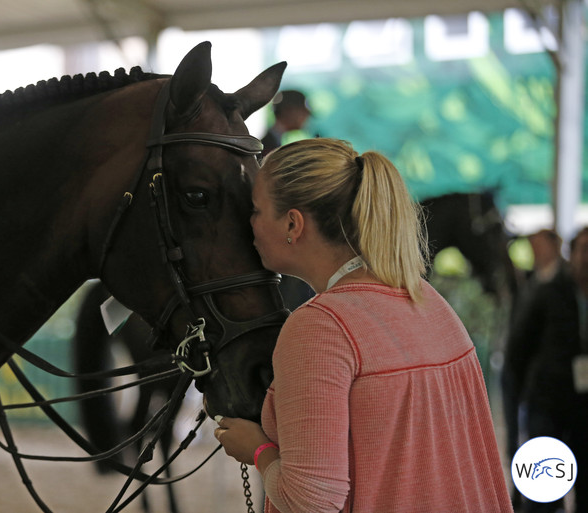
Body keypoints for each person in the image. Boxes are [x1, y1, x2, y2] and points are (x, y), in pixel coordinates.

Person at [213, 138, 513, 512]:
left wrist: (256, 449)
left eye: (257, 210)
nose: (250, 224)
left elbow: (312, 499)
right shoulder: (427, 300)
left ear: (293, 223)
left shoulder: (320, 328)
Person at [505, 228, 588, 513]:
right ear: (571, 254)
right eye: (583, 250)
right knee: (544, 489)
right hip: (547, 405)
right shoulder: (548, 292)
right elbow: (518, 347)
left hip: (584, 410)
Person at [261, 90, 314, 309]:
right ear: (291, 112)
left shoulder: (273, 142)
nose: (306, 118)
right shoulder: (266, 149)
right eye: (303, 112)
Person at [260, 90, 312, 157]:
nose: (306, 117)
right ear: (288, 110)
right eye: (303, 111)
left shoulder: (271, 143)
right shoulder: (267, 148)